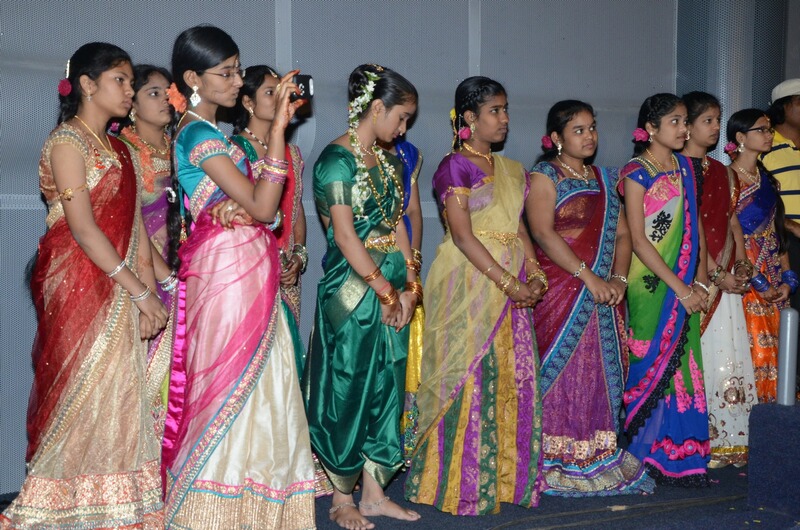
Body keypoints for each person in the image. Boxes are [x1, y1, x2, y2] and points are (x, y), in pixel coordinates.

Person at [1, 42, 167, 528]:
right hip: (75, 282)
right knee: (79, 390)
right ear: (88, 85)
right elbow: (84, 228)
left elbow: (135, 228)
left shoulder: (122, 149)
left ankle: (119, 507)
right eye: (121, 80)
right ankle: (56, 505)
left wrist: (161, 287)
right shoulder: (67, 142)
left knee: (121, 393)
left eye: (130, 81)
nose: (129, 90)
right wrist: (139, 290)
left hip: (121, 282)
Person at [160, 26, 315, 529]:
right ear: (192, 78)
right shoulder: (198, 134)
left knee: (262, 385)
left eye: (235, 69)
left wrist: (241, 210)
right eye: (224, 73)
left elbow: (255, 210)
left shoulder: (216, 136)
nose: (235, 81)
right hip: (225, 273)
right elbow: (265, 203)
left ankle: (254, 506)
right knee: (228, 384)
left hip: (248, 267)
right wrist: (277, 133)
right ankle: (212, 513)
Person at [405, 76, 545, 515]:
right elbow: (464, 237)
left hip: (512, 280)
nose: (504, 119)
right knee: (467, 374)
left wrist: (536, 273)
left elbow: (518, 227)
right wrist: (510, 283)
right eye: (494, 111)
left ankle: (506, 480)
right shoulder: (454, 167)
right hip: (470, 281)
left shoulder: (512, 170)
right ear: (469, 117)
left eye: (505, 110)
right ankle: (455, 484)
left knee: (511, 376)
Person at [304, 63, 421, 530]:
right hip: (353, 290)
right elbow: (347, 237)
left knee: (388, 386)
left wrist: (411, 287)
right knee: (348, 387)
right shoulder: (337, 160)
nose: (405, 128)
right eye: (402, 117)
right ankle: (340, 497)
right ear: (377, 108)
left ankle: (374, 493)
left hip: (391, 285)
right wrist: (386, 290)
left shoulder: (392, 162)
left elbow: (397, 227)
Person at [527, 100, 653, 495]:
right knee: (563, 371)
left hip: (603, 291)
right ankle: (551, 456)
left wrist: (617, 277)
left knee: (600, 372)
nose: (589, 136)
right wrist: (589, 278)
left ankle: (597, 453)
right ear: (556, 138)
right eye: (578, 130)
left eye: (592, 127)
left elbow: (621, 234)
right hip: (561, 289)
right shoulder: (544, 177)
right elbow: (543, 234)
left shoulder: (604, 177)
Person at [620, 93, 711, 486]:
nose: (683, 128)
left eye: (685, 121)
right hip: (651, 285)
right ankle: (642, 456)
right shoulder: (636, 173)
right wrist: (681, 288)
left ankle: (679, 455)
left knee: (685, 369)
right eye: (674, 121)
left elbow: (698, 228)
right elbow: (639, 240)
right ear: (650, 128)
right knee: (651, 361)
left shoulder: (688, 169)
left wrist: (701, 281)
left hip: (687, 282)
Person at [680, 92, 756, 467]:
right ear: (687, 124)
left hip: (724, 274)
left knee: (728, 354)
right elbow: (687, 230)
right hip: (692, 277)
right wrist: (717, 274)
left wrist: (741, 263)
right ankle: (701, 439)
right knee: (700, 357)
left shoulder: (722, 171)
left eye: (716, 120)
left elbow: (729, 219)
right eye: (707, 120)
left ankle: (731, 439)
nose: (714, 128)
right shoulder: (676, 169)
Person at [231, 64, 308, 375]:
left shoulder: (293, 153)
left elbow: (297, 207)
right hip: (252, 273)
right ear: (248, 102)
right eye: (270, 93)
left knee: (286, 367)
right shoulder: (234, 152)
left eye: (283, 91)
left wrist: (299, 256)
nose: (280, 99)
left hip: (288, 275)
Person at [118, 63, 177, 440]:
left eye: (167, 92)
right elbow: (128, 226)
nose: (165, 100)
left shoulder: (181, 145)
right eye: (153, 93)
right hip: (144, 278)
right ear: (132, 104)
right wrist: (162, 279)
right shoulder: (123, 152)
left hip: (182, 270)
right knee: (146, 378)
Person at [727, 108, 796, 403]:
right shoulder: (727, 179)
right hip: (743, 275)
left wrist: (788, 277)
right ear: (741, 137)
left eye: (769, 129)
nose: (769, 135)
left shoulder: (766, 178)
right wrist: (757, 281)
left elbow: (776, 231)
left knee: (781, 351)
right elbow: (727, 236)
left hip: (771, 269)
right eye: (762, 130)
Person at [380, 136, 424, 463]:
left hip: (404, 260)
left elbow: (413, 212)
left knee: (406, 350)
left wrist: (413, 268)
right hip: (370, 263)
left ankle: (406, 439)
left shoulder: (407, 154)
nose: (403, 126)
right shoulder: (347, 155)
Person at [762, 79, 800, 388]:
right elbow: (759, 203)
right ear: (782, 108)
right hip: (789, 243)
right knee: (791, 317)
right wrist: (791, 227)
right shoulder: (765, 145)